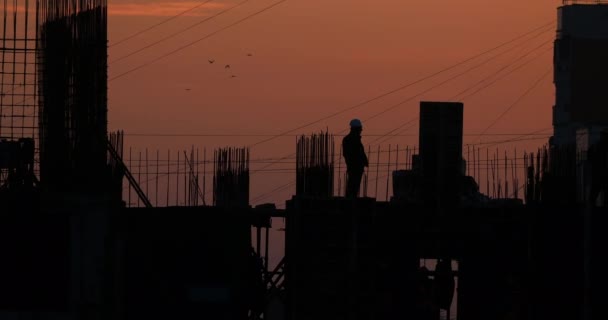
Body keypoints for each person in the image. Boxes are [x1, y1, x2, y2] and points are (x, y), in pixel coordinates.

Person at [342, 119, 369, 198]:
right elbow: (349, 154)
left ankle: (351, 199)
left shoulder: (354, 139)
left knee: (354, 186)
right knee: (352, 186)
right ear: (356, 129)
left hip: (356, 167)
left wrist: (364, 162)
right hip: (354, 167)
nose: (361, 131)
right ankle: (350, 201)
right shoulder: (351, 140)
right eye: (360, 129)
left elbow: (360, 152)